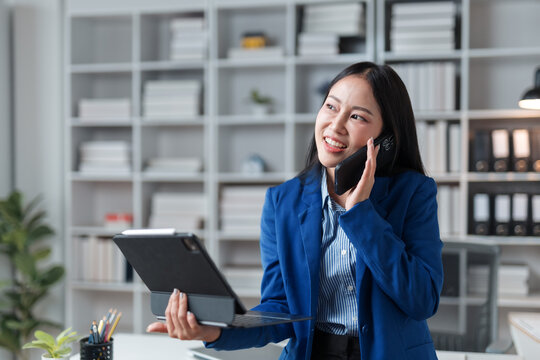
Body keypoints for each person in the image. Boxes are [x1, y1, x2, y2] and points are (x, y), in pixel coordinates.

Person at [147, 61, 443, 360]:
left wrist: (362, 214)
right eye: (330, 107)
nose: (335, 126)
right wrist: (215, 331)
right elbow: (279, 307)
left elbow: (421, 301)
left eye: (356, 116)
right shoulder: (283, 201)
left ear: (385, 139)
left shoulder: (414, 192)